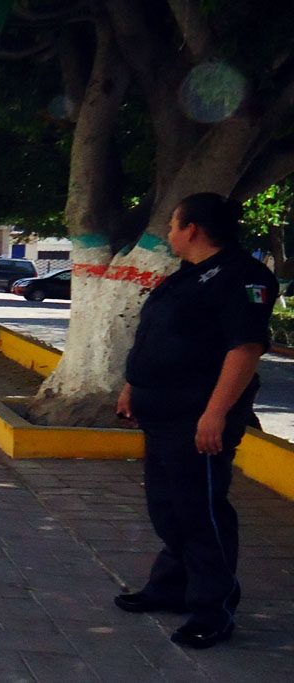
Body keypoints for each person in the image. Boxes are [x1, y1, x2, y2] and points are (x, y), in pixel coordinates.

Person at [115, 193, 278, 649]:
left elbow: (245, 348)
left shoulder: (243, 276)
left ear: (193, 229)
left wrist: (215, 413)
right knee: (167, 507)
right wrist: (132, 386)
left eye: (173, 225)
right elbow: (154, 338)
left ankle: (213, 608)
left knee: (200, 511)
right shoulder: (185, 276)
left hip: (198, 416)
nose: (169, 233)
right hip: (160, 411)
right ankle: (172, 586)